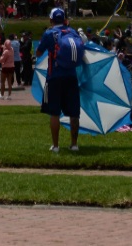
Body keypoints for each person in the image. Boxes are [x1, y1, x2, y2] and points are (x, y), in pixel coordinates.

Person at [36, 8, 84, 153]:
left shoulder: (49, 33)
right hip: (71, 76)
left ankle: (56, 146)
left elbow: (38, 53)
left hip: (54, 76)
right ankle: (74, 144)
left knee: (54, 112)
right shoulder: (73, 32)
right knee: (74, 112)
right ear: (64, 19)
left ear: (51, 20)